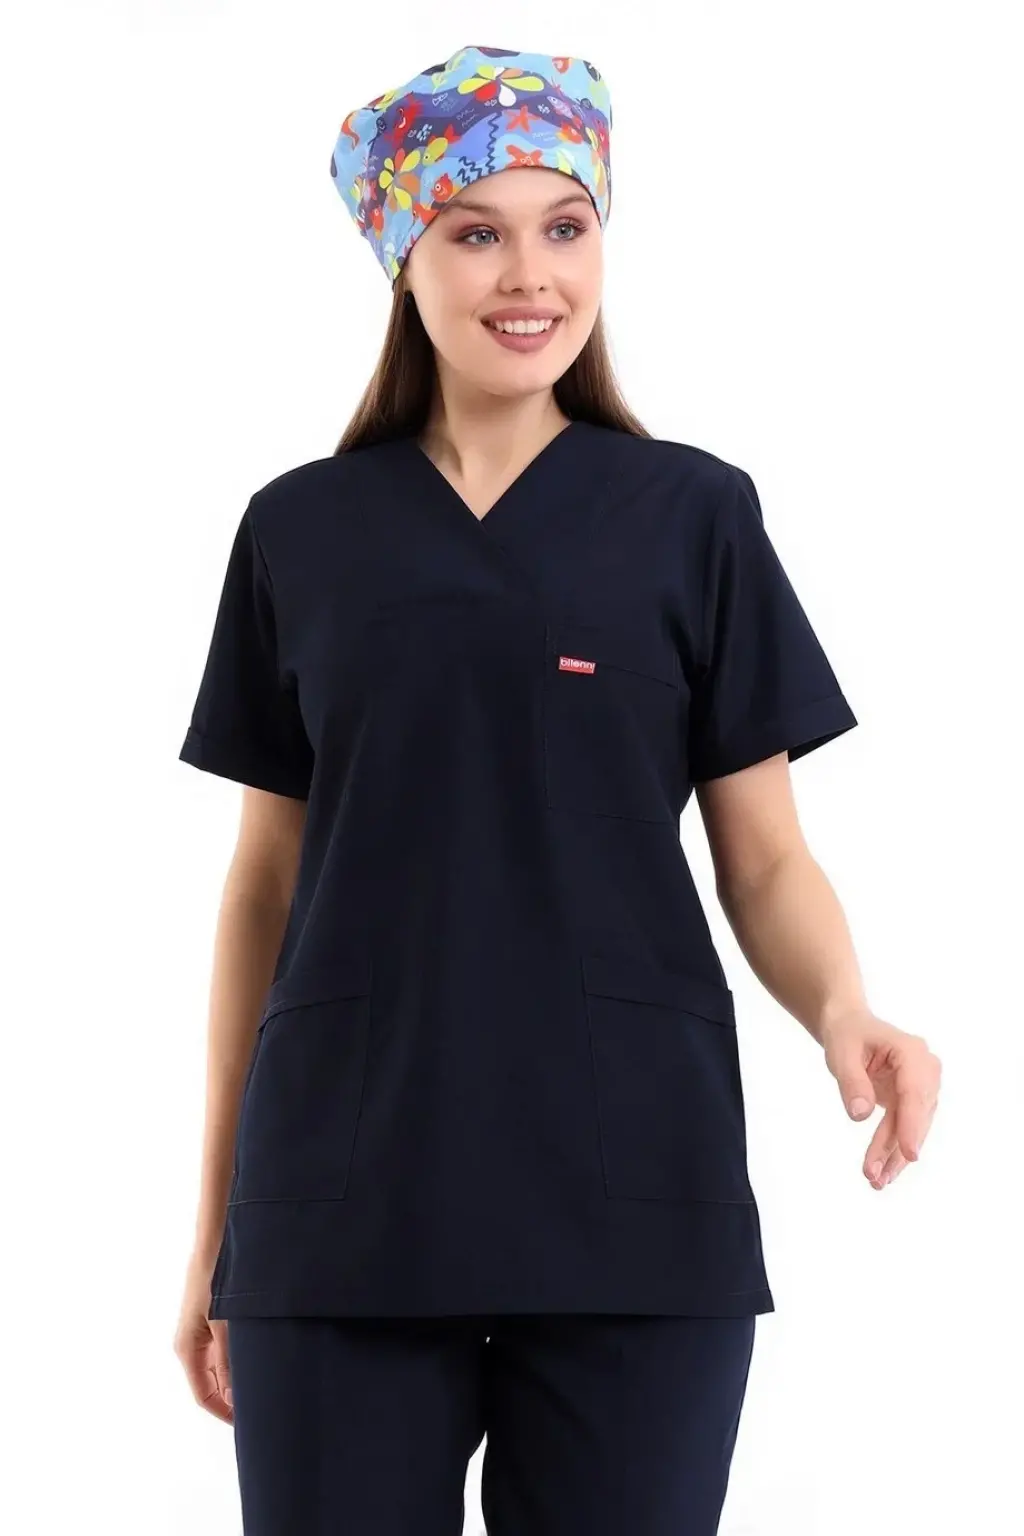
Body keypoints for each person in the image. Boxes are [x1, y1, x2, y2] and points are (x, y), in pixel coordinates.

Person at [172, 42, 942, 1536]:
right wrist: (218, 1234)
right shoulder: (299, 533)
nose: (531, 275)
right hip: (343, 1204)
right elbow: (264, 892)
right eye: (476, 231)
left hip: (630, 1195)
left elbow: (765, 859)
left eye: (566, 226)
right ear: (403, 257)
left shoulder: (693, 516)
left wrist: (846, 1010)